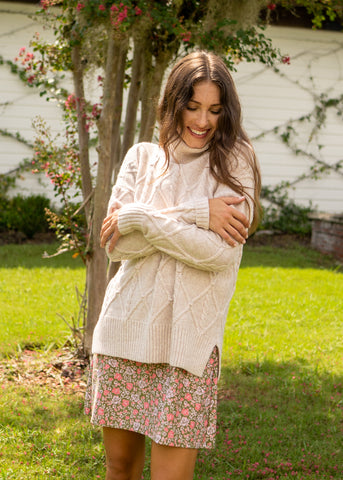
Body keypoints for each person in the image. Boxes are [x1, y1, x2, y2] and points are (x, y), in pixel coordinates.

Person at [85, 50, 261, 480]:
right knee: (119, 468)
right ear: (173, 103)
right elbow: (118, 244)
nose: (203, 121)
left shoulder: (235, 161)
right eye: (193, 106)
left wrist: (144, 217)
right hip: (124, 332)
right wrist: (199, 213)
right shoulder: (142, 158)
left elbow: (219, 254)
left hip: (188, 347)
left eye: (215, 110)